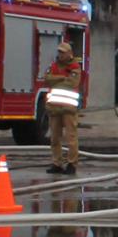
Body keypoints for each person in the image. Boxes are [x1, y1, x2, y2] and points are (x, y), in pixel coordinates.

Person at [43, 40, 85, 175]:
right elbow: (47, 79)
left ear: (69, 54)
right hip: (54, 108)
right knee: (55, 138)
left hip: (68, 109)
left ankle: (72, 163)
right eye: (59, 52)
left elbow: (72, 82)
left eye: (63, 52)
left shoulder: (75, 67)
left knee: (71, 137)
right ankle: (57, 163)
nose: (60, 55)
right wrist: (62, 77)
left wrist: (56, 80)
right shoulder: (54, 66)